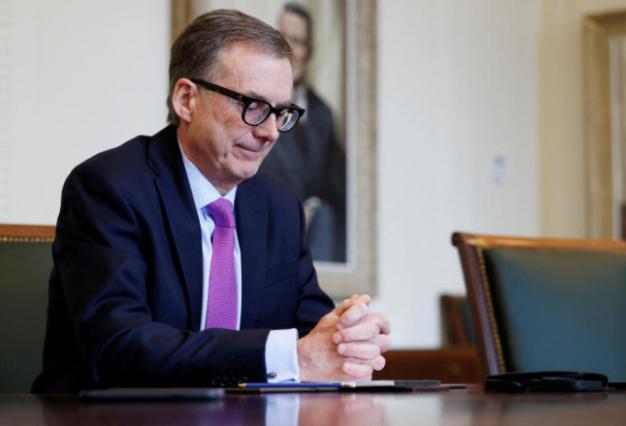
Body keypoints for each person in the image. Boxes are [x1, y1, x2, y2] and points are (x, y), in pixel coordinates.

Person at [31, 9, 390, 393]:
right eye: (252, 106)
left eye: (282, 112)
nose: (271, 132)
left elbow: (310, 335)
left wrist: (347, 338)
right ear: (187, 99)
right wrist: (288, 357)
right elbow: (118, 347)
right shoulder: (111, 188)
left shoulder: (279, 208)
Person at [259, 2, 346, 262]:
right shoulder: (252, 108)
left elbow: (338, 187)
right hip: (267, 232)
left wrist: (314, 207)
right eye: (282, 37)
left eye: (297, 41)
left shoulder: (323, 114)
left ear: (309, 51)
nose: (288, 49)